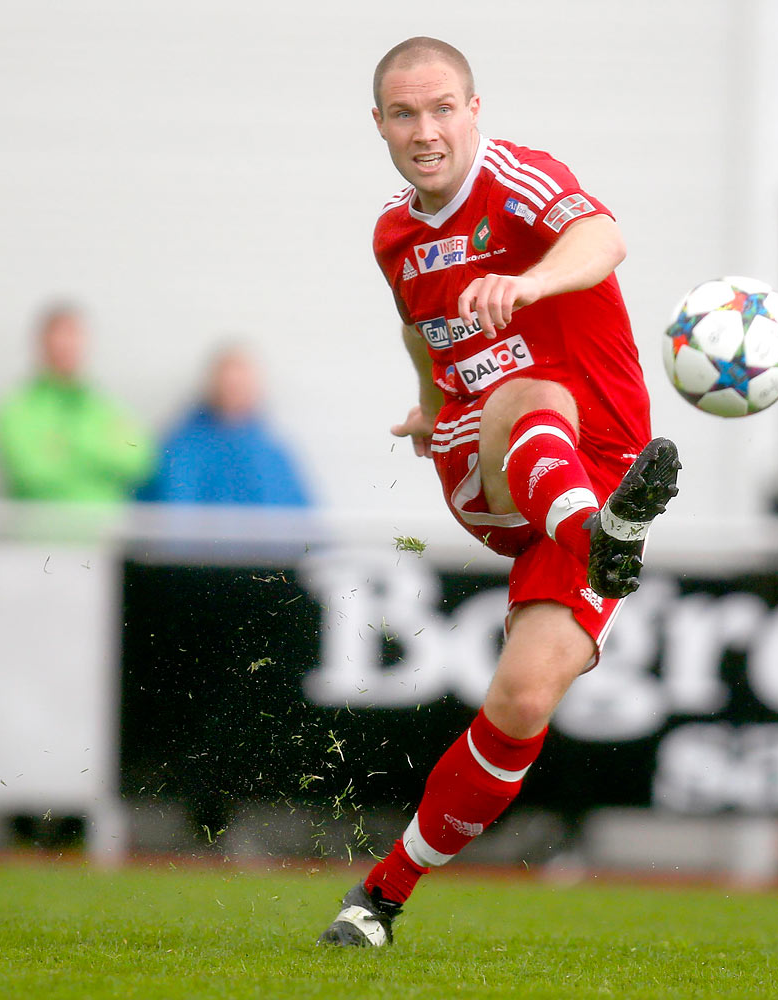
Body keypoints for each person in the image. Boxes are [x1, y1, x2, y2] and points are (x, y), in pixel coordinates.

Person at [317, 37, 679, 948]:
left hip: (597, 464)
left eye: (443, 108)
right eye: (405, 114)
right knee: (530, 396)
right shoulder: (393, 235)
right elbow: (418, 326)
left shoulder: (519, 180)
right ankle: (601, 535)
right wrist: (432, 405)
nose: (426, 130)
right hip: (488, 459)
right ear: (379, 127)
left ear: (476, 110)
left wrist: (531, 279)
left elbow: (605, 237)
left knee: (520, 700)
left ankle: (378, 900)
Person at [0, 304, 154, 502]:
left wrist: (66, 448)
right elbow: (31, 472)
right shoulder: (18, 409)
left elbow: (139, 462)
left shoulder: (106, 407)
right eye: (58, 338)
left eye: (73, 337)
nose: (66, 346)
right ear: (42, 344)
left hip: (105, 530)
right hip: (40, 529)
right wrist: (104, 449)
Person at [139, 344, 310, 506]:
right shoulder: (181, 448)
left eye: (241, 386)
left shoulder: (273, 453)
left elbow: (298, 518)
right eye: (229, 385)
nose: (234, 393)